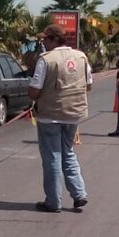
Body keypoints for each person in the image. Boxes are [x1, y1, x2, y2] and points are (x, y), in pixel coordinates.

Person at [27, 24, 90, 213]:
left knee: (52, 156)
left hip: (50, 115)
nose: (43, 43)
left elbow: (35, 89)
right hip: (73, 114)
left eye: (45, 39)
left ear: (54, 39)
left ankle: (53, 201)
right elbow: (88, 85)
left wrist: (34, 95)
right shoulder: (81, 57)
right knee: (68, 152)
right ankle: (79, 194)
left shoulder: (46, 59)